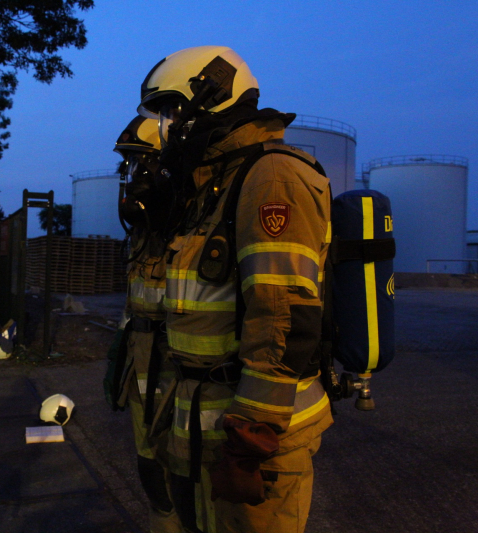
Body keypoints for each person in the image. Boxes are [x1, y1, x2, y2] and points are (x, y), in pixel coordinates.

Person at [137, 46, 333, 532]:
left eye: (170, 110)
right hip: (207, 423)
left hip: (255, 438)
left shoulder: (272, 177)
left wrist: (250, 444)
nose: (165, 127)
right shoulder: (213, 186)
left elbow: (283, 320)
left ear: (211, 97)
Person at [105, 116, 183, 532]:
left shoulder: (191, 228)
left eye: (140, 164)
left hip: (181, 375)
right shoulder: (142, 234)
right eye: (128, 166)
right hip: (142, 370)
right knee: (153, 476)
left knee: (185, 482)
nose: (132, 177)